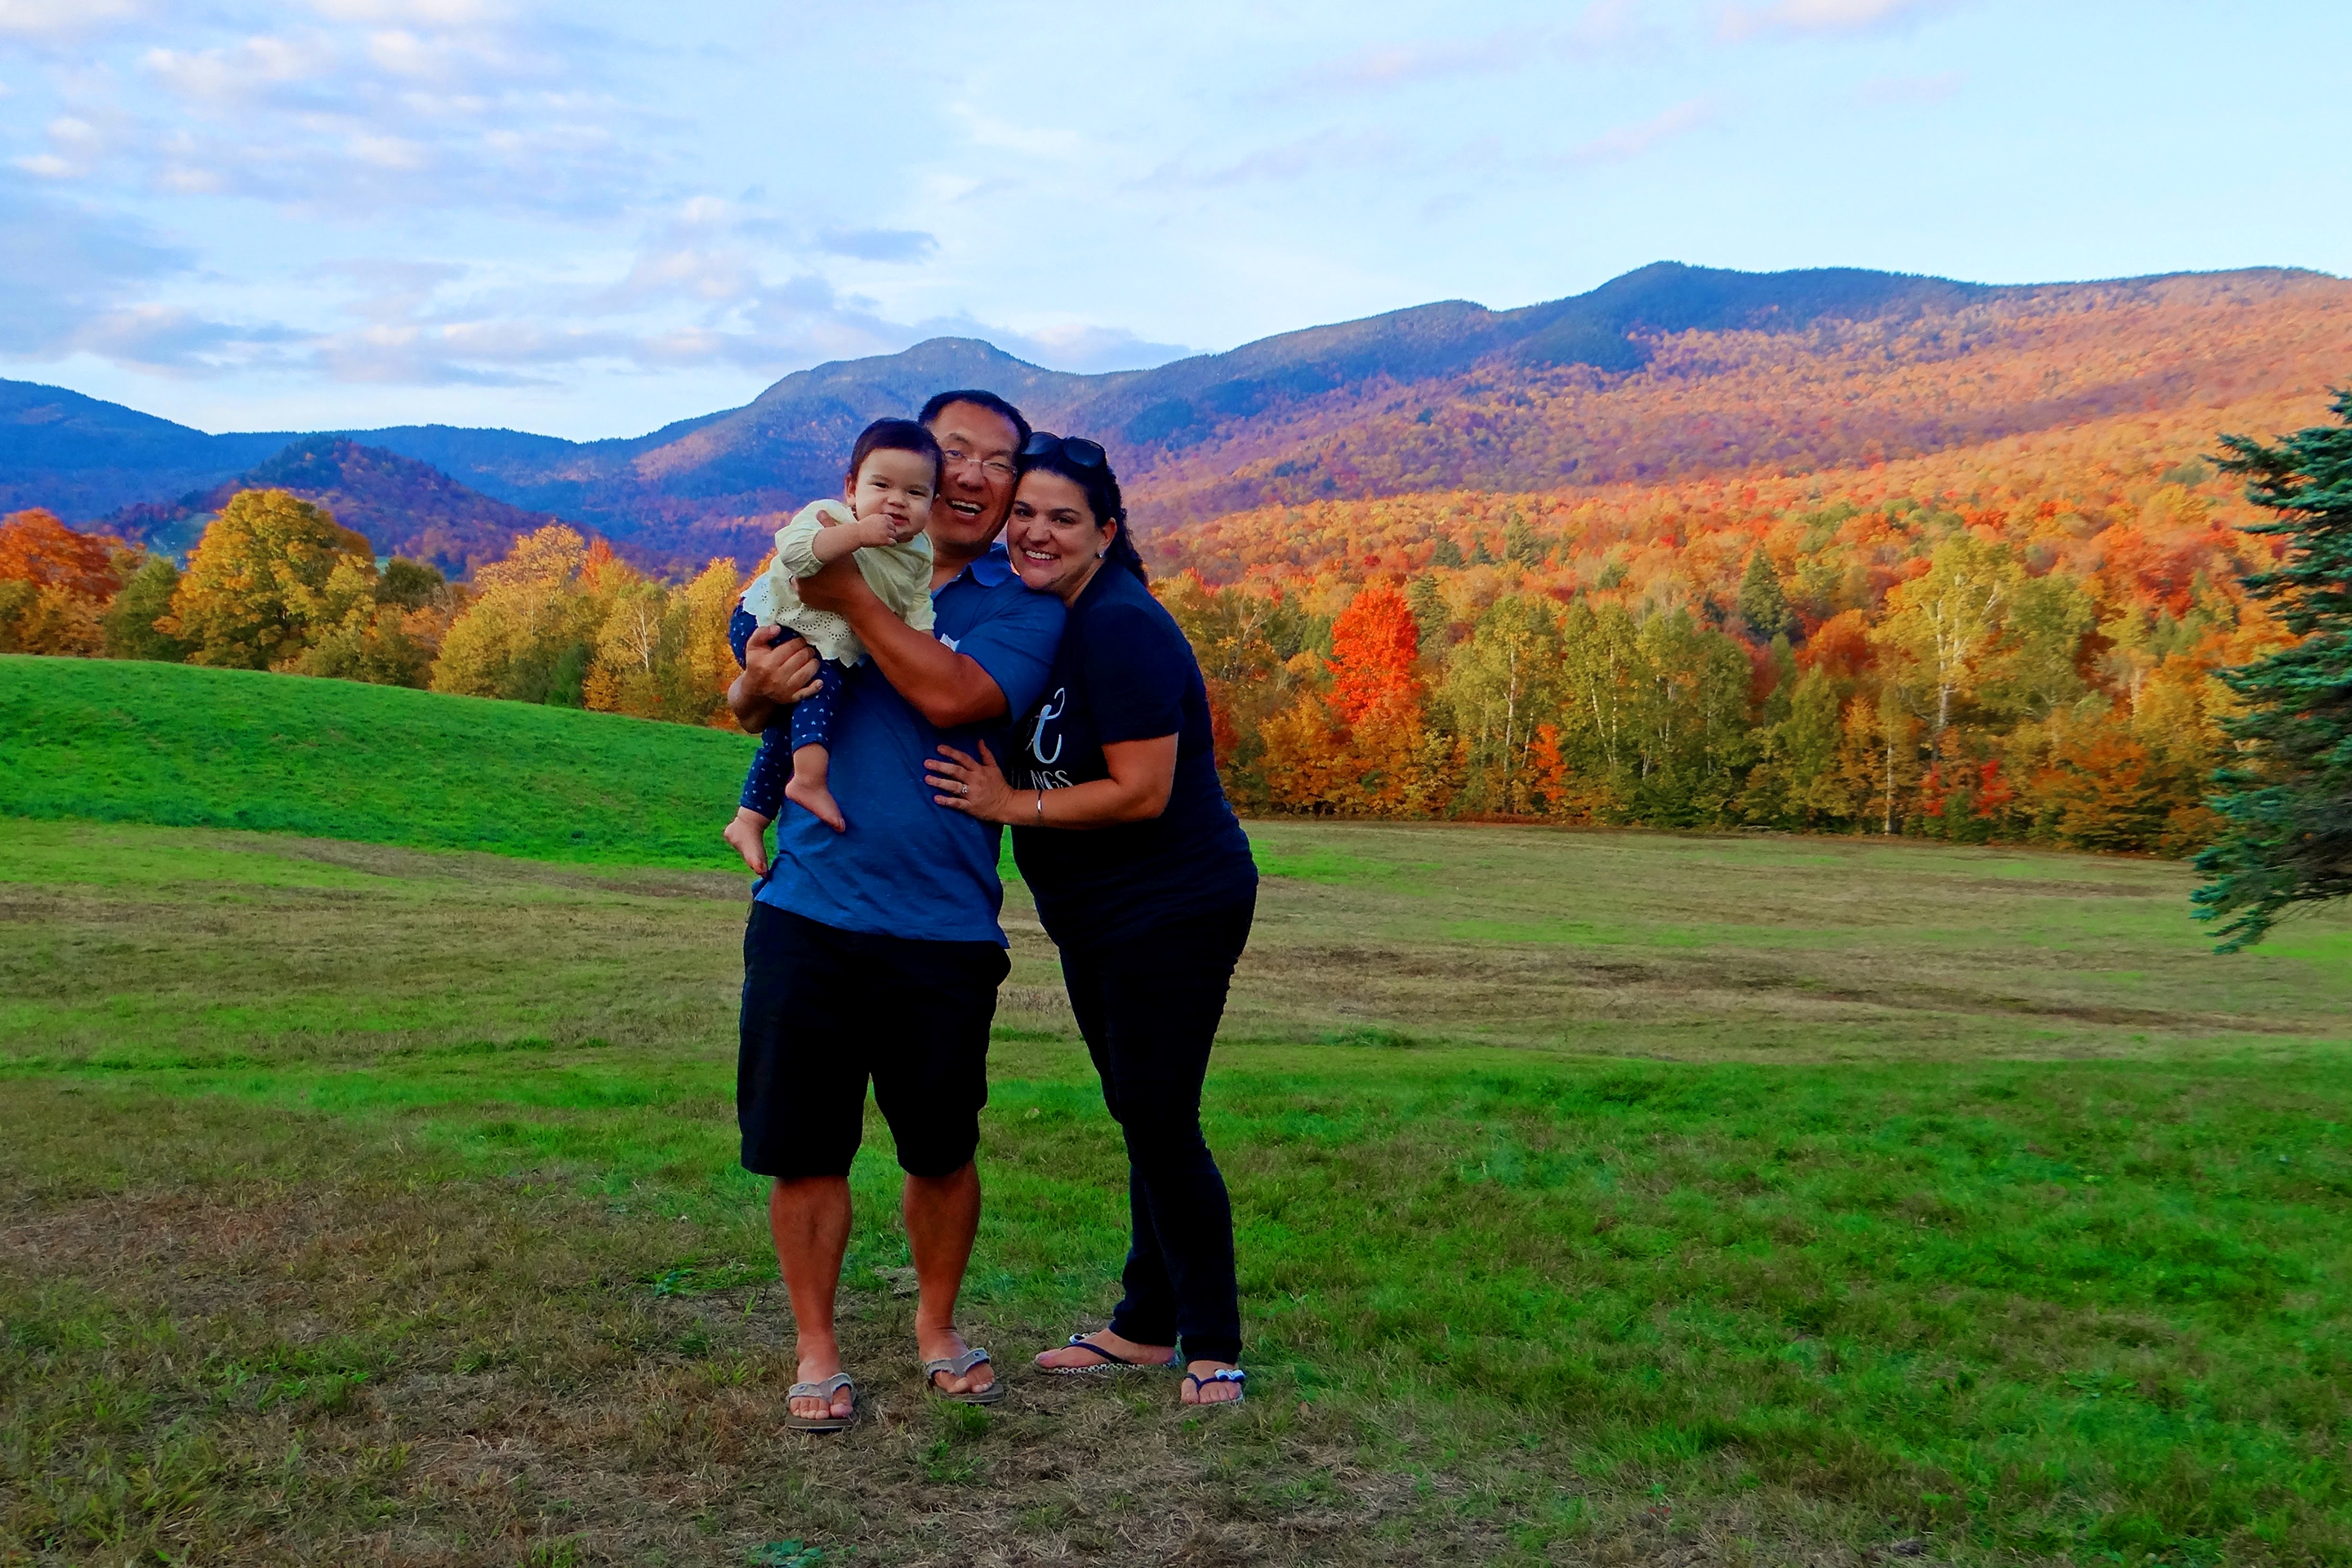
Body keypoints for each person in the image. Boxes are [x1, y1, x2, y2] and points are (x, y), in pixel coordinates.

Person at [728, 390, 1063, 1432]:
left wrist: (851, 584)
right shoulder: (836, 555)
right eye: (950, 452)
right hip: (810, 906)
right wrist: (750, 689)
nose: (968, 476)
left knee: (940, 1146)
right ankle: (816, 1346)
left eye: (994, 463)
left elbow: (957, 697)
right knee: (806, 1146)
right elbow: (763, 681)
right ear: (904, 465)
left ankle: (936, 1325)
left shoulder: (1022, 606)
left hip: (944, 923)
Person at [924, 433, 1260, 1407]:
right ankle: (1146, 1325)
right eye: (1022, 512)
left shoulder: (1120, 626)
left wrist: (1005, 807)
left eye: (1062, 518)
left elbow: (1142, 791)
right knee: (1140, 1113)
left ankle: (1211, 1345)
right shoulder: (1045, 619)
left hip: (1174, 902)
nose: (1034, 531)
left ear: (1105, 533)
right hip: (1095, 913)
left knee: (1161, 1118)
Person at [723, 418, 939, 853]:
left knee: (786, 729)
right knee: (822, 688)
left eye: (915, 493)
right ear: (852, 488)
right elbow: (796, 555)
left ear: (932, 503)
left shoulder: (918, 553)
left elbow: (917, 608)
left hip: (824, 641)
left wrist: (925, 649)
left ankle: (748, 819)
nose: (896, 502)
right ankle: (809, 782)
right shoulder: (830, 515)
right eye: (882, 486)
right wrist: (857, 535)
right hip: (772, 620)